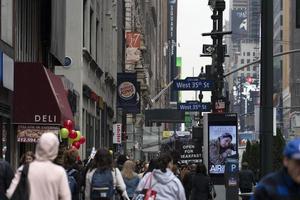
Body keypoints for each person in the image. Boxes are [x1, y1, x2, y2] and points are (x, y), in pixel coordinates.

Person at [6, 132, 71, 200]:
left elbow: (10, 193)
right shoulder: (59, 172)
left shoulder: (23, 169)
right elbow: (66, 197)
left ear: (38, 146)